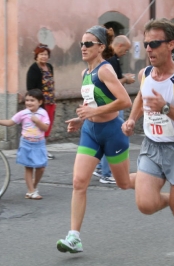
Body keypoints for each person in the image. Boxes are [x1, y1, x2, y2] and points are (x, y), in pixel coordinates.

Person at [121, 18, 174, 266]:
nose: (148, 49)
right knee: (146, 205)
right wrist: (132, 119)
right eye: (146, 44)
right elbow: (141, 97)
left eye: (154, 43)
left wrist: (166, 108)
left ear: (170, 44)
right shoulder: (145, 73)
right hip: (151, 146)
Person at [56, 25, 135, 254]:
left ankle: (150, 180)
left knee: (123, 183)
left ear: (101, 47)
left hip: (112, 132)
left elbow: (125, 102)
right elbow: (92, 104)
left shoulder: (105, 70)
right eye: (82, 43)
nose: (83, 47)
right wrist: (81, 119)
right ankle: (74, 237)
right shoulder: (85, 73)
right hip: (90, 131)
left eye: (88, 43)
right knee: (79, 182)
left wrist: (93, 113)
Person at [93, 35, 136, 184]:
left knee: (104, 136)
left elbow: (114, 79)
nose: (126, 53)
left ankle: (99, 168)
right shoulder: (110, 61)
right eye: (126, 49)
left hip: (107, 104)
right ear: (119, 46)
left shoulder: (111, 60)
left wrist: (123, 77)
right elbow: (113, 83)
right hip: (113, 104)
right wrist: (126, 80)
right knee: (113, 137)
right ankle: (107, 173)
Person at [0, 89, 49, 199]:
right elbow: (10, 122)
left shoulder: (43, 113)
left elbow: (45, 128)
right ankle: (31, 191)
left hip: (39, 144)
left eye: (32, 100)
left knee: (41, 168)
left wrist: (37, 121)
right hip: (26, 143)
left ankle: (33, 186)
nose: (29, 103)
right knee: (29, 167)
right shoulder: (23, 113)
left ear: (40, 102)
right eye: (27, 100)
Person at [26, 43, 56, 160]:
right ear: (36, 56)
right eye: (41, 54)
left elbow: (51, 85)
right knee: (39, 126)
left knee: (47, 126)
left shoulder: (49, 67)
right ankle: (37, 149)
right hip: (40, 103)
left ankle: (43, 148)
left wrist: (53, 99)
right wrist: (35, 103)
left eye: (46, 54)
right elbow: (31, 88)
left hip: (51, 101)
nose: (44, 56)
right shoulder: (33, 69)